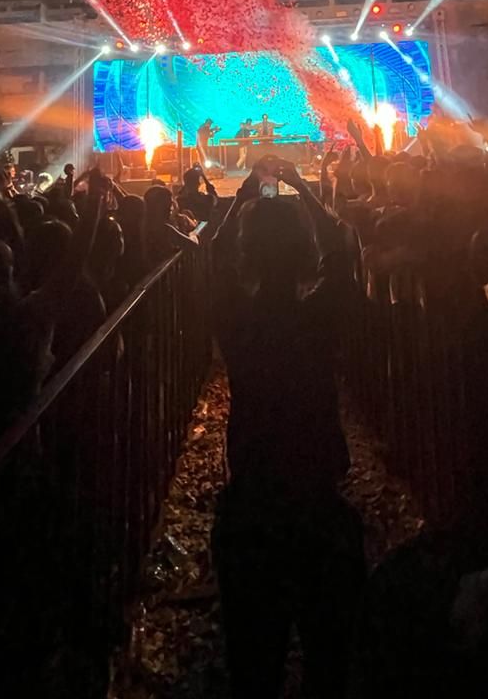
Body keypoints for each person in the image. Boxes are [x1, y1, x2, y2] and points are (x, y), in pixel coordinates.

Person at [211, 157, 364, 699]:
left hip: (252, 505)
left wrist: (247, 190)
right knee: (331, 663)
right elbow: (342, 251)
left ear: (248, 255)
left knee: (253, 668)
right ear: (305, 254)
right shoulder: (318, 320)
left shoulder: (239, 322)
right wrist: (301, 186)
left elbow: (213, 258)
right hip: (319, 501)